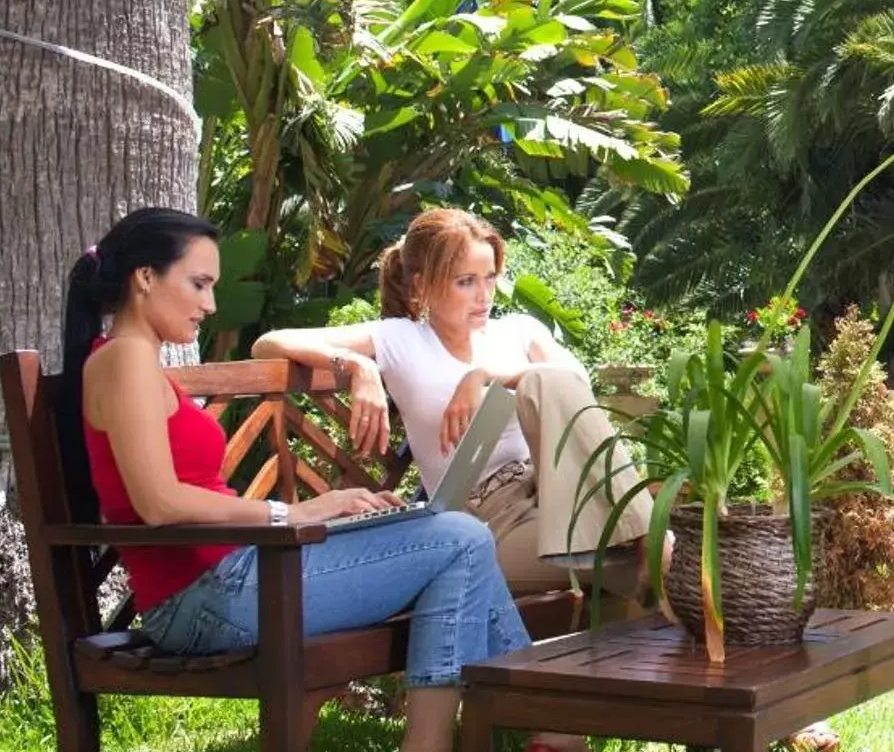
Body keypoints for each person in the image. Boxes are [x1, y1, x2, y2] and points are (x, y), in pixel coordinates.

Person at [69, 207, 640, 752]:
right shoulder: (123, 359)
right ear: (146, 278)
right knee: (461, 540)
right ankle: (515, 748)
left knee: (459, 542)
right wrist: (294, 509)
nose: (210, 304)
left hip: (239, 576)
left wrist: (335, 509)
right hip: (211, 599)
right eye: (199, 284)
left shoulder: (134, 361)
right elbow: (159, 503)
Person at [254, 207, 655, 606]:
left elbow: (575, 392)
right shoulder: (400, 340)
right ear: (422, 284)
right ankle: (655, 543)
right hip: (485, 525)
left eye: (490, 278)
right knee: (652, 555)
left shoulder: (519, 332)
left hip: (560, 496)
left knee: (546, 381)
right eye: (466, 282)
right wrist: (357, 365)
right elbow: (268, 343)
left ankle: (652, 546)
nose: (484, 296)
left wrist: (484, 376)